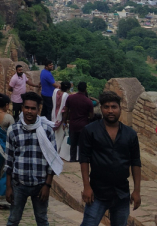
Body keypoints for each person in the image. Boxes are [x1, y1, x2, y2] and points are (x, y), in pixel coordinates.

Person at [79, 91, 142, 226]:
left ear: (120, 109)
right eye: (106, 107)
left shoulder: (130, 134)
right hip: (97, 192)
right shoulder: (90, 130)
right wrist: (86, 187)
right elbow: (84, 159)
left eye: (114, 107)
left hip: (121, 192)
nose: (110, 110)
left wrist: (137, 191)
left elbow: (136, 162)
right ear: (101, 109)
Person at [5, 91, 63, 226]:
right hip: (19, 184)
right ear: (22, 108)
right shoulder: (13, 130)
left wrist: (47, 186)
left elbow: (51, 161)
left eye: (33, 108)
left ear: (38, 110)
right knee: (13, 219)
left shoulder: (47, 130)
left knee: (42, 220)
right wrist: (8, 187)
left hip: (40, 185)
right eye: (26, 107)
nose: (29, 111)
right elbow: (9, 160)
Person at [62, 82, 94, 163]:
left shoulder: (70, 98)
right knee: (82, 145)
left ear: (77, 88)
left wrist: (64, 122)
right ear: (85, 89)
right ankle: (81, 159)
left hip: (73, 124)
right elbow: (91, 116)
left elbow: (66, 111)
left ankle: (72, 159)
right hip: (83, 125)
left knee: (73, 144)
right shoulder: (88, 101)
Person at [50, 81, 71, 161]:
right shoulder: (66, 95)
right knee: (59, 136)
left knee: (53, 134)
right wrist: (65, 121)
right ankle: (56, 152)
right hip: (60, 116)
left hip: (53, 115)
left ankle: (52, 150)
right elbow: (64, 109)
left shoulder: (55, 91)